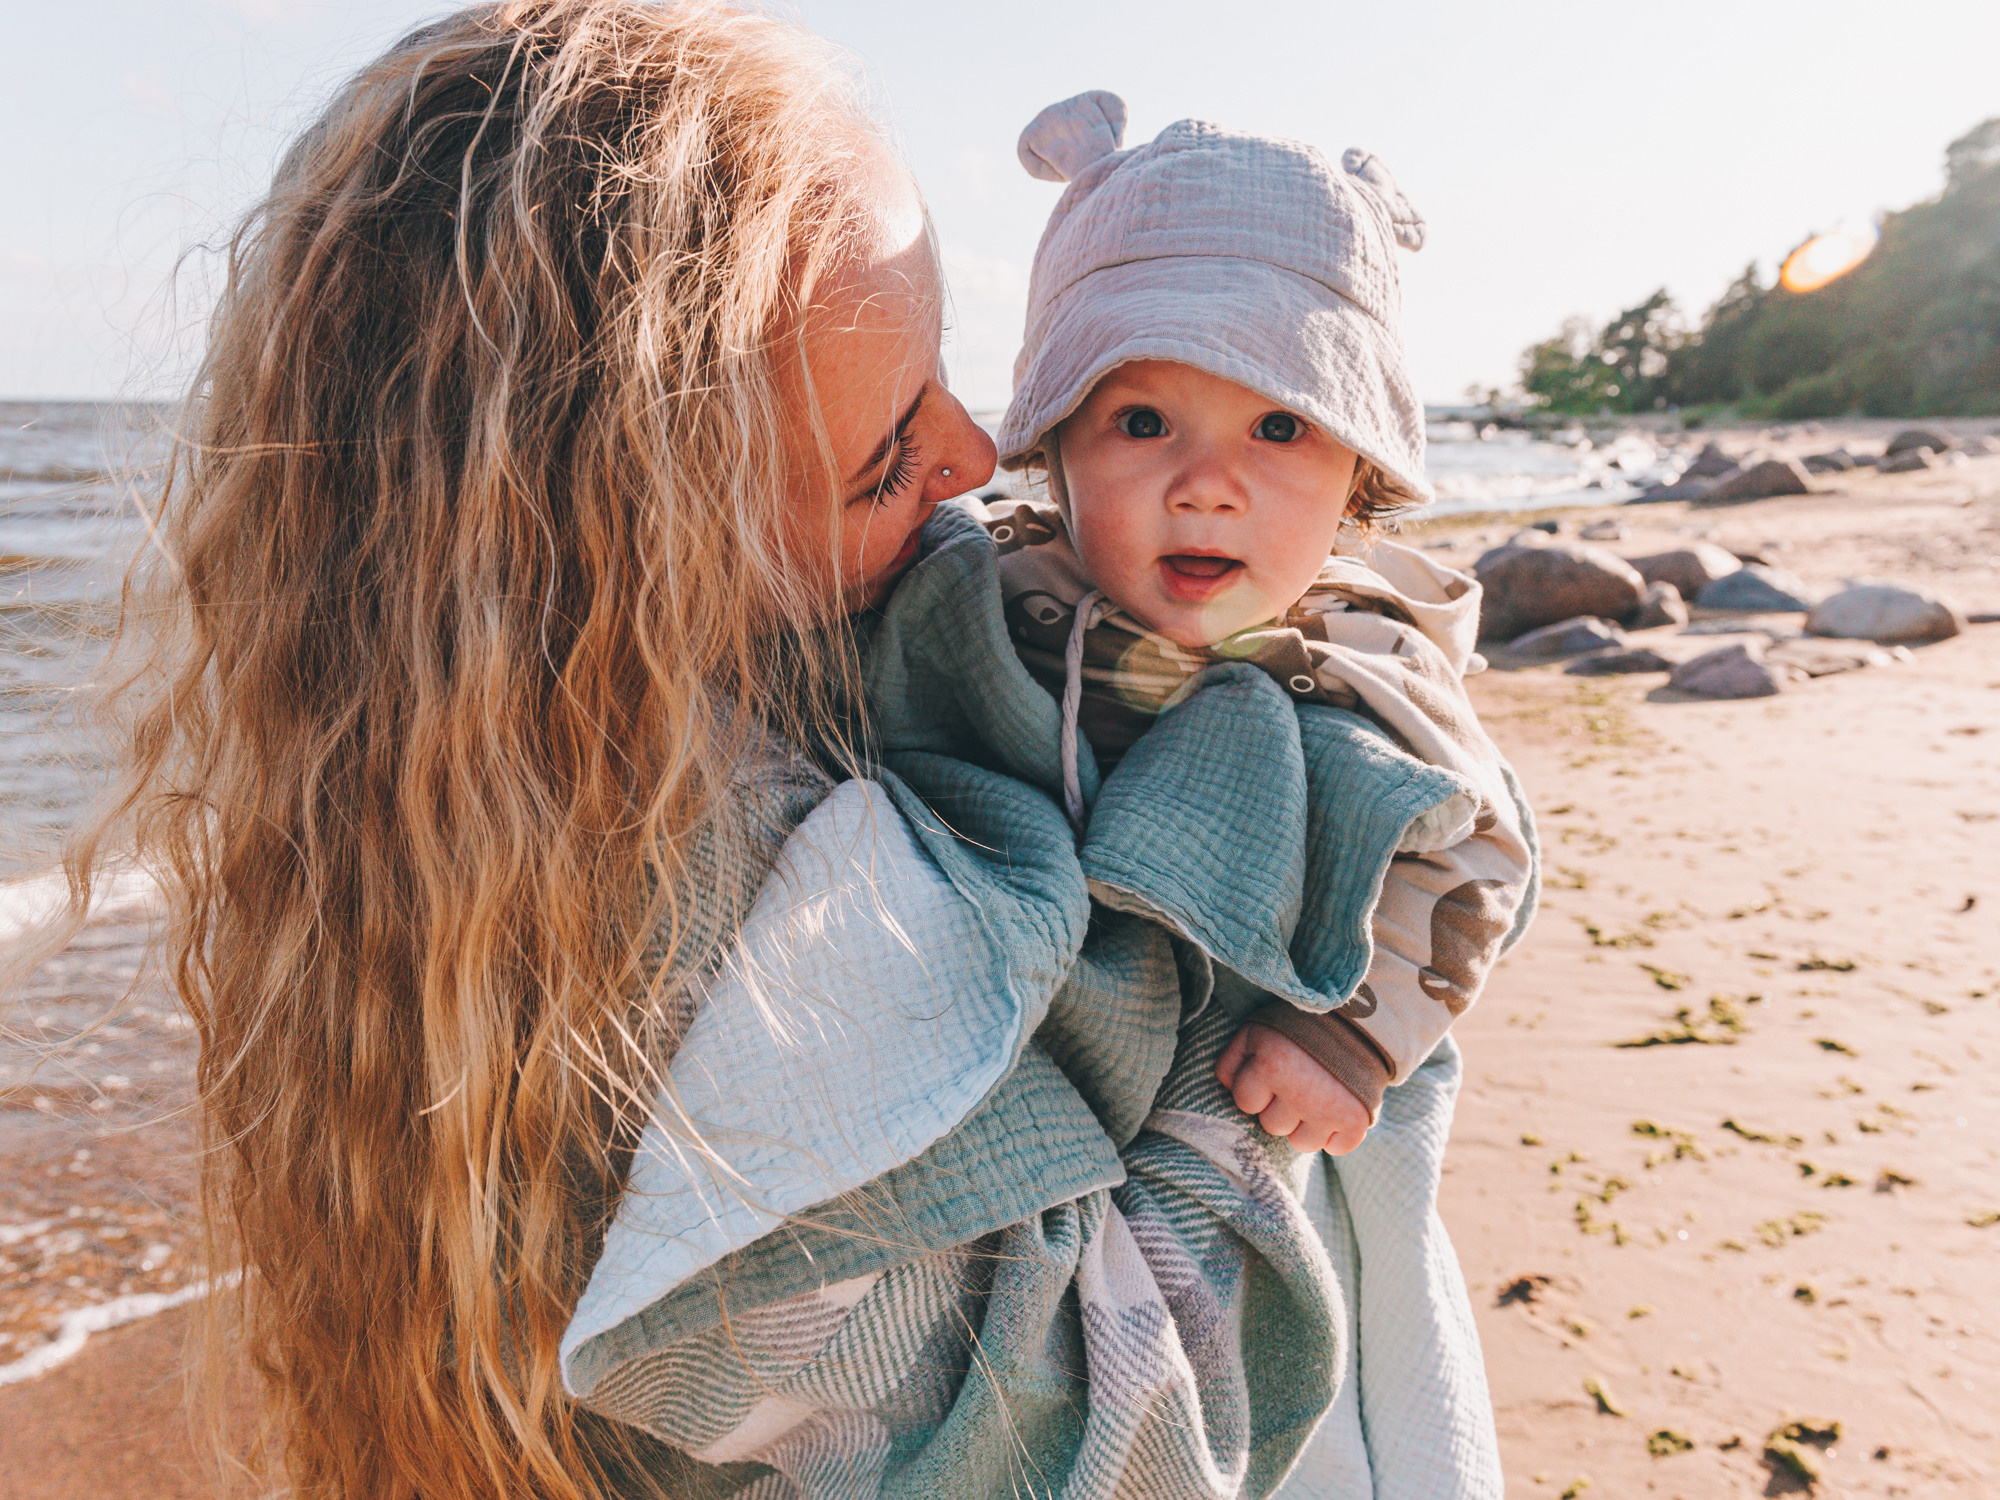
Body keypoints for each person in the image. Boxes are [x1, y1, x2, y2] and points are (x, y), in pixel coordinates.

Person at [39, 3, 1509, 1495]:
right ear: (637, 554)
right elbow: (1112, 1436)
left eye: (947, 373)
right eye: (886, 458)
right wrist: (1257, 884)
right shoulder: (677, 940)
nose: (978, 462)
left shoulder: (463, 832)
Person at [980, 91, 1536, 1156]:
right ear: (1053, 442)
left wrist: (1346, 1037)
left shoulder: (1364, 650)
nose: (1206, 485)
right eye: (1143, 421)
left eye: (1280, 426)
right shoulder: (988, 584)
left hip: (1224, 1058)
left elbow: (1474, 846)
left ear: (1358, 474)